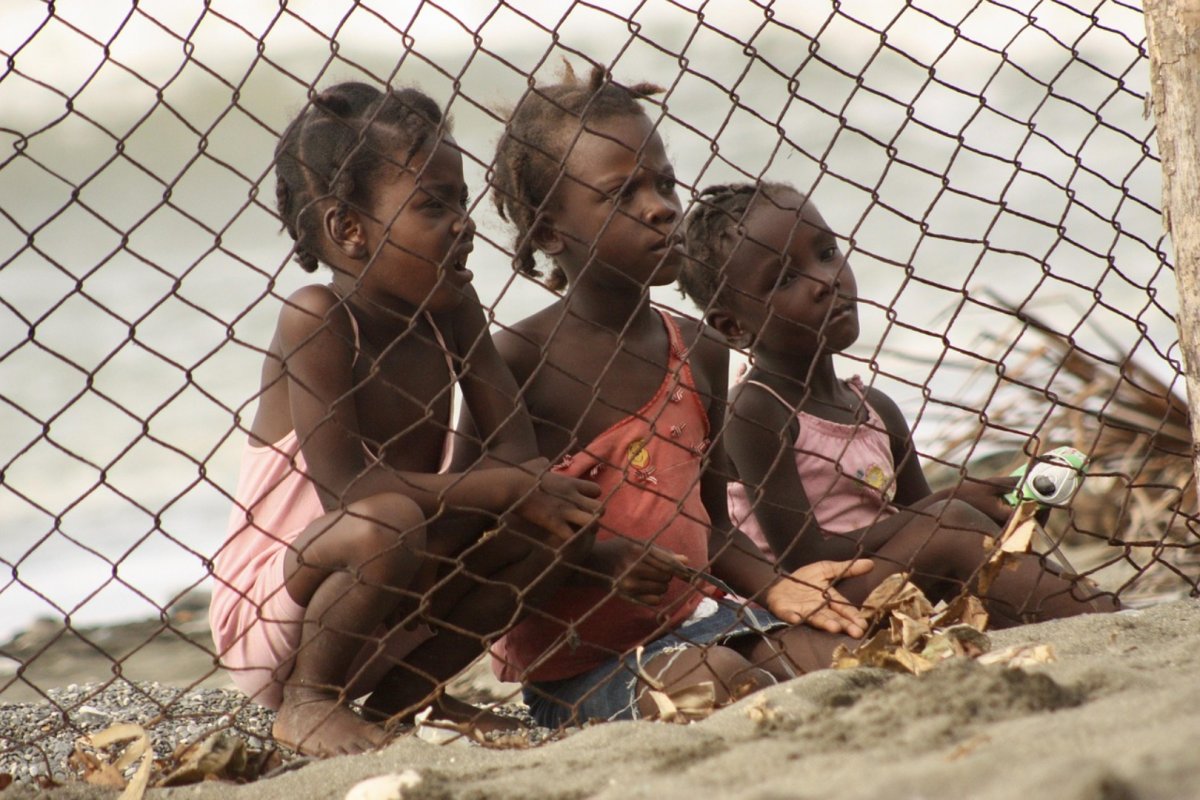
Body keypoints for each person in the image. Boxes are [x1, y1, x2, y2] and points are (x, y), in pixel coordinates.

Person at [476, 64, 879, 728]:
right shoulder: (515, 364)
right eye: (621, 194)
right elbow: (483, 548)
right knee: (716, 682)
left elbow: (713, 523)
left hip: (701, 625)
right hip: (578, 670)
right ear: (550, 232)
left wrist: (781, 587)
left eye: (663, 183)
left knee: (845, 647)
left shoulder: (698, 348)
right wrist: (598, 565)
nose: (662, 206)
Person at [208, 82, 601, 757]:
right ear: (348, 229)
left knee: (555, 528)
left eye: (462, 201)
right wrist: (507, 487)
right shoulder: (318, 319)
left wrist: (518, 492)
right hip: (285, 601)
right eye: (432, 205)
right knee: (393, 521)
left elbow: (514, 446)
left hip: (402, 570)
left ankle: (410, 702)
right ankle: (310, 704)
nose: (464, 224)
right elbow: (349, 490)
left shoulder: (453, 308)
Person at [677, 180, 1118, 628]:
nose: (825, 281)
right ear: (732, 327)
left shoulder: (875, 408)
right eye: (786, 279)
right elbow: (802, 558)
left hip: (896, 586)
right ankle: (1103, 618)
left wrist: (1001, 508)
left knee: (965, 526)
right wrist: (945, 505)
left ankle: (1090, 615)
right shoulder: (756, 410)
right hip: (822, 606)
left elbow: (920, 523)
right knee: (953, 524)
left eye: (827, 253)